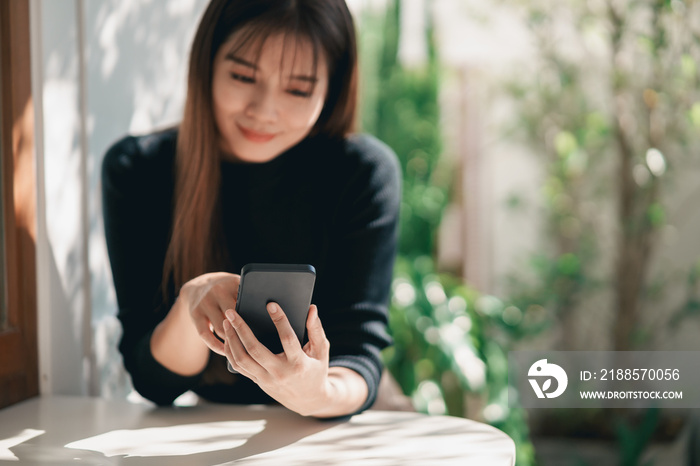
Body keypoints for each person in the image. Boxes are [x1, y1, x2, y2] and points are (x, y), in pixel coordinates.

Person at [102, 0, 401, 419]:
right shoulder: (138, 169)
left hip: (336, 423)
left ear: (331, 89)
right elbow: (153, 381)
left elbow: (358, 356)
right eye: (243, 76)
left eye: (298, 89)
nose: (263, 111)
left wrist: (317, 394)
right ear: (206, 64)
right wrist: (192, 305)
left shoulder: (362, 173)